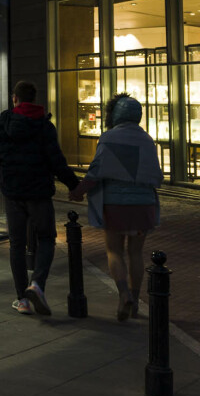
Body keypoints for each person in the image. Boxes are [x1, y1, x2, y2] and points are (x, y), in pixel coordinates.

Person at [0, 80, 79, 316]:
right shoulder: (44, 127)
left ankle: (23, 300)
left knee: (17, 245)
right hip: (39, 193)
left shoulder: (0, 126)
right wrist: (75, 186)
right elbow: (56, 162)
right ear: (34, 99)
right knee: (46, 238)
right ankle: (37, 284)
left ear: (14, 98)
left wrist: (3, 182)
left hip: (13, 193)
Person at [69, 93, 164, 321]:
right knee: (136, 253)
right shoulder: (147, 140)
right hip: (143, 205)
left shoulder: (109, 138)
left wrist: (78, 191)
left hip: (115, 205)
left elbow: (96, 172)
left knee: (114, 251)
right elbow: (157, 176)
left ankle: (123, 295)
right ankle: (135, 300)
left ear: (114, 115)